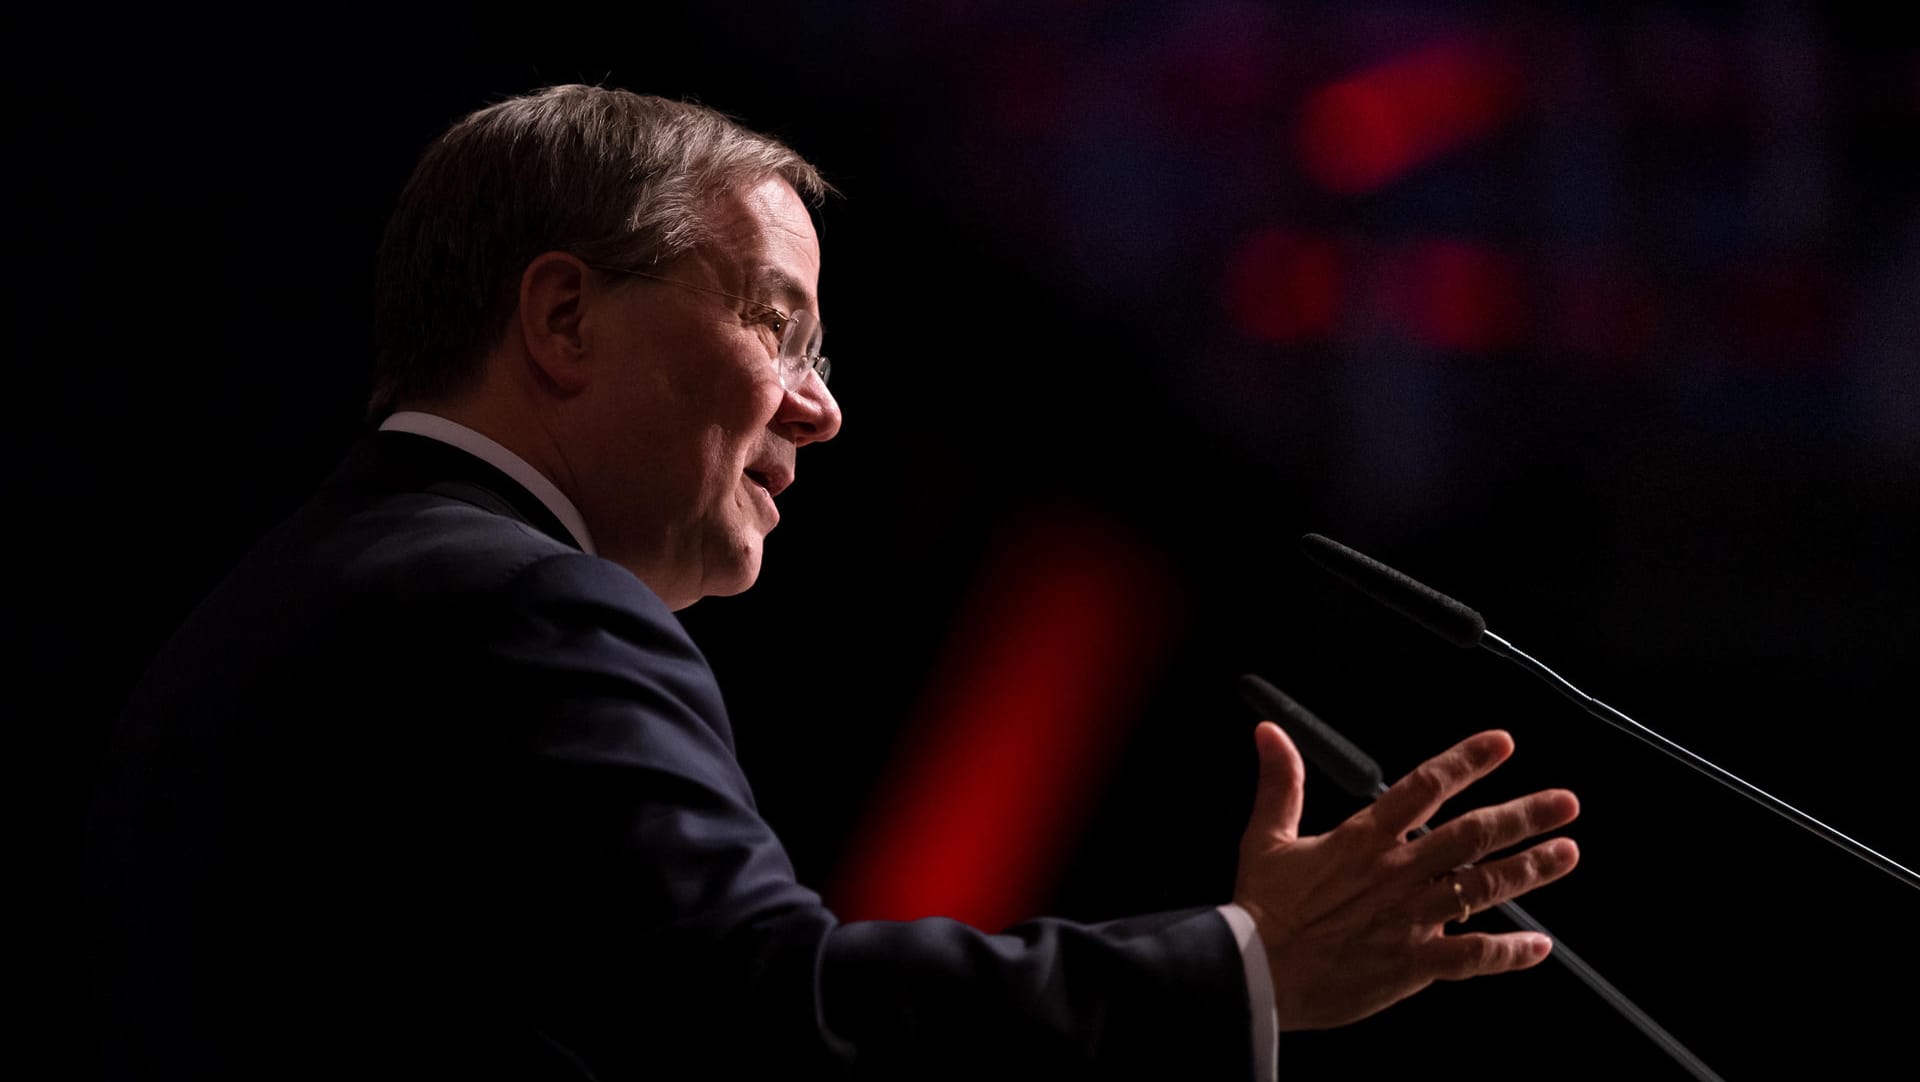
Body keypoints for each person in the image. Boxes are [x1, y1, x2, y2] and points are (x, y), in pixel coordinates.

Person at [84, 85, 1580, 1080]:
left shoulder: (294, 600)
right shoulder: (525, 608)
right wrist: (1244, 965)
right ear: (560, 315)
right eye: (778, 326)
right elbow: (768, 1024)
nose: (823, 406)